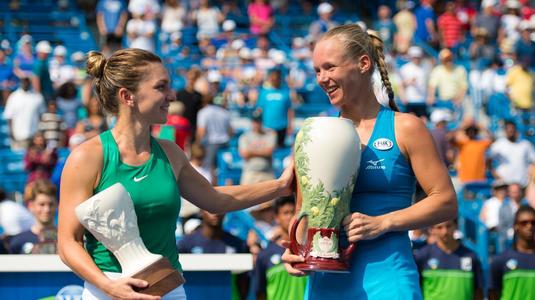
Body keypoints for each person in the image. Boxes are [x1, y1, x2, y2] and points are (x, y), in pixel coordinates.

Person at [57, 48, 293, 300]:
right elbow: (67, 243)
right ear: (127, 96)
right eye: (161, 87)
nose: (172, 95)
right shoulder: (87, 157)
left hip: (168, 288)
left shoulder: (170, 152)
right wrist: (109, 286)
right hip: (109, 289)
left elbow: (214, 199)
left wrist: (281, 186)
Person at [282, 24, 457, 299]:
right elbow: (304, 212)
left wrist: (383, 223)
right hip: (326, 283)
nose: (321, 78)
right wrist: (296, 252)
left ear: (363, 64)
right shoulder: (315, 135)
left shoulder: (406, 127)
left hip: (388, 279)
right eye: (317, 70)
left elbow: (445, 201)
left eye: (329, 67)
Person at [252, 196, 307, 300]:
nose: (290, 217)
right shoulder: (264, 255)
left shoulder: (310, 250)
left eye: (293, 212)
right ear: (276, 217)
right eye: (286, 213)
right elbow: (260, 293)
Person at [414, 219, 484, 300]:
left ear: (456, 226)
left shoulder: (471, 256)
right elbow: (415, 289)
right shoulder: (422, 256)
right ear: (432, 230)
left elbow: (478, 291)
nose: (445, 231)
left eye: (448, 226)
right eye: (439, 227)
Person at [489, 205, 535, 300]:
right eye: (524, 223)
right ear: (516, 226)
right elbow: (493, 294)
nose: (529, 226)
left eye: (533, 223)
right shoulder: (500, 260)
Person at [8, 179, 58, 254]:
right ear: (31, 206)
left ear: (57, 205)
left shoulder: (67, 240)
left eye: (51, 204)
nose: (47, 209)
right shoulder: (18, 242)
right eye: (42, 204)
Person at [238, 111, 276, 184]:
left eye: (258, 121)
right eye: (255, 121)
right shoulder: (245, 136)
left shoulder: (270, 134)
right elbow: (245, 154)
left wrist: (251, 152)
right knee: (247, 193)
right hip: (250, 172)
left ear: (261, 122)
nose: (256, 124)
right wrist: (262, 151)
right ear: (252, 122)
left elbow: (269, 151)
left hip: (267, 172)